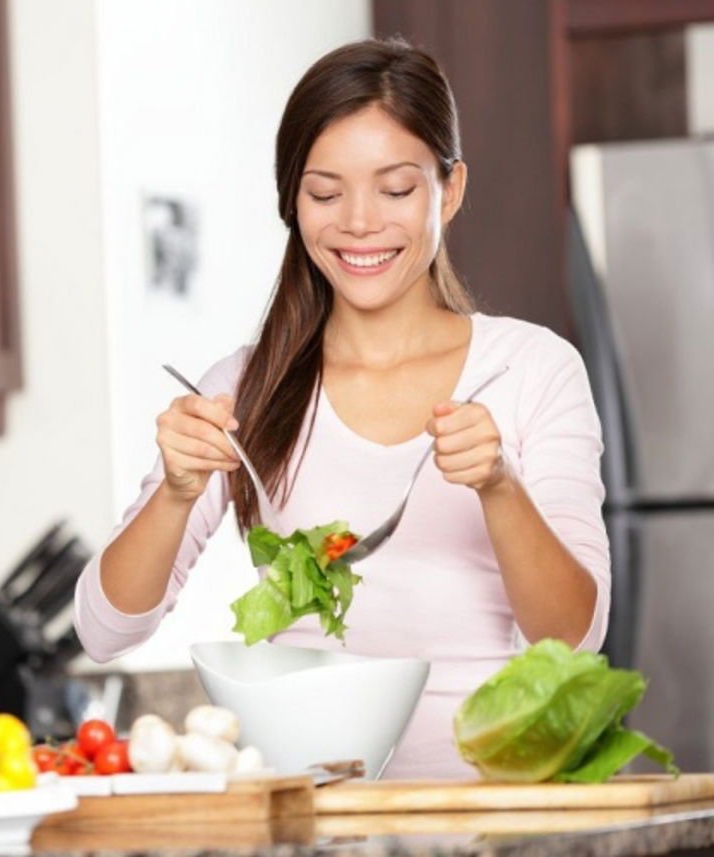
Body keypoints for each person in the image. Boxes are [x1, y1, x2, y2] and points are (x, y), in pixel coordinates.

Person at [72, 38, 610, 780]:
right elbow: (103, 632)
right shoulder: (244, 386)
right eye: (325, 193)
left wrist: (499, 485)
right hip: (314, 820)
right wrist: (176, 490)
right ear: (291, 201)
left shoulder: (530, 369)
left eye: (395, 190)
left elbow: (575, 638)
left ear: (448, 191)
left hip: (490, 813)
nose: (359, 223)